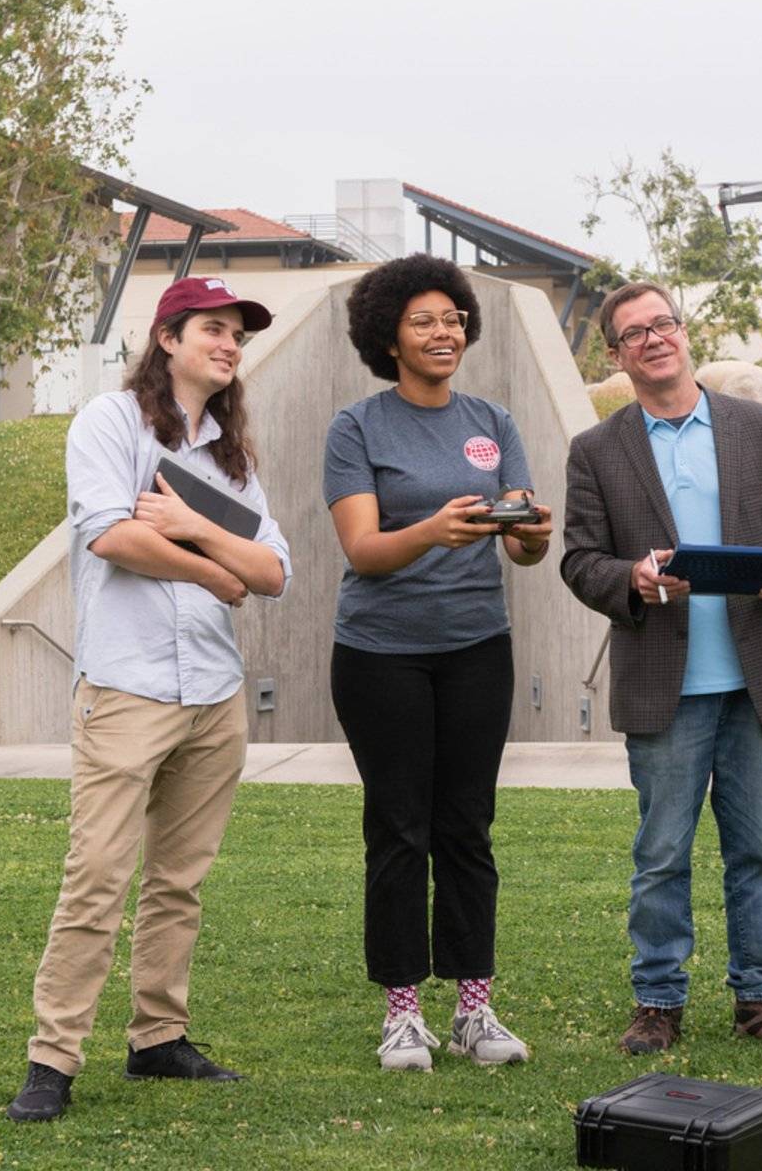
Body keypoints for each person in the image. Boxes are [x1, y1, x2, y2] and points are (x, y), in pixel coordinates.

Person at [8, 276, 292, 1123]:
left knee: (180, 881)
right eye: (213, 328)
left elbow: (274, 571)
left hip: (214, 691)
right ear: (167, 338)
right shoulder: (109, 422)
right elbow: (113, 533)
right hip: (126, 687)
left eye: (237, 335)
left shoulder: (232, 456)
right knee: (95, 876)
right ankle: (53, 1060)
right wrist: (215, 566)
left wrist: (197, 530)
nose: (229, 344)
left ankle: (157, 1040)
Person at [561, 281, 762, 1055]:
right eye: (633, 333)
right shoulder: (597, 451)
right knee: (661, 855)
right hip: (662, 682)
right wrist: (633, 582)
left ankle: (761, 997)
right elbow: (579, 561)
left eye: (663, 324)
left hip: (752, 676)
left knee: (759, 852)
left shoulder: (761, 430)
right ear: (616, 355)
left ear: (683, 333)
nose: (653, 339)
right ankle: (658, 1001)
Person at [324, 253, 553, 1072]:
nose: (443, 332)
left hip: (475, 648)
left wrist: (531, 533)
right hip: (381, 655)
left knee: (468, 826)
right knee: (398, 829)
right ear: (388, 337)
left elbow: (523, 550)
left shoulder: (491, 420)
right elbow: (364, 549)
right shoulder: (357, 427)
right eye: (423, 321)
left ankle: (475, 1010)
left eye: (451, 318)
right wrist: (434, 530)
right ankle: (402, 1012)